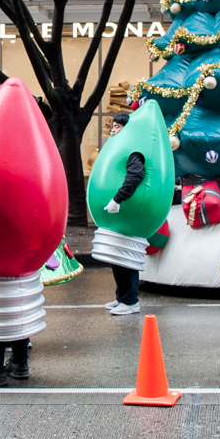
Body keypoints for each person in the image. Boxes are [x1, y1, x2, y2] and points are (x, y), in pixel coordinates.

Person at [98, 112, 146, 316]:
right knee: (117, 256)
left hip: (128, 212)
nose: (113, 130)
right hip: (119, 213)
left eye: (117, 127)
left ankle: (130, 300)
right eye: (113, 127)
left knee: (126, 256)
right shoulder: (120, 150)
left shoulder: (133, 152)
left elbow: (135, 177)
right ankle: (122, 297)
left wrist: (118, 198)